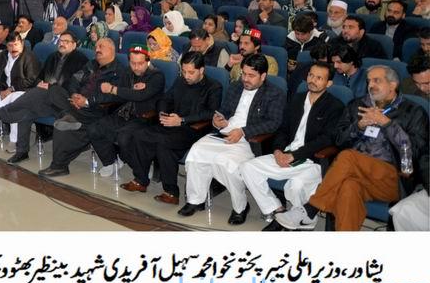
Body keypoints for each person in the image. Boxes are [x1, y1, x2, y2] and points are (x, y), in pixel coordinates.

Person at [275, 66, 427, 231]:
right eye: (369, 81)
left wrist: (387, 123)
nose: (371, 85)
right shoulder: (357, 105)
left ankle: (311, 208)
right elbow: (339, 140)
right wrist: (359, 126)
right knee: (348, 187)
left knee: (349, 157)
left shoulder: (413, 111)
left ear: (393, 84)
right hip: (355, 174)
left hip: (392, 176)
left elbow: (415, 152)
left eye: (377, 80)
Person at [178, 54, 286, 224]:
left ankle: (240, 207)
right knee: (196, 153)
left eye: (251, 76)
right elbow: (225, 110)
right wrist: (218, 120)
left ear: (263, 76)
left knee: (227, 163)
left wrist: (243, 131)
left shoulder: (275, 93)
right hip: (224, 133)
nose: (245, 79)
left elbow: (274, 123)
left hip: (249, 139)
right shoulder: (236, 87)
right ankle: (196, 200)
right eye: (244, 74)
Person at [240, 63, 345, 227]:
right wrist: (277, 151)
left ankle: (302, 220)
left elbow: (325, 140)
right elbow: (283, 129)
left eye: (319, 78)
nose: (313, 80)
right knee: (248, 167)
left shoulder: (335, 106)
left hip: (312, 160)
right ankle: (277, 210)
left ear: (329, 83)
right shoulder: (297, 99)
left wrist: (294, 155)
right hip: (287, 153)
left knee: (295, 185)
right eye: (311, 75)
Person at [118, 51, 222, 205]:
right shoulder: (181, 81)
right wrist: (162, 113)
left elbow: (210, 113)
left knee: (163, 143)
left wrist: (182, 120)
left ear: (201, 70)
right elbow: (165, 98)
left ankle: (171, 192)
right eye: (184, 71)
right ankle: (141, 180)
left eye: (191, 72)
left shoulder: (214, 87)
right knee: (140, 134)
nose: (186, 76)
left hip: (194, 129)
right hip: (172, 123)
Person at [51, 46, 164, 178]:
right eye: (133, 63)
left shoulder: (156, 75)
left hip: (143, 117)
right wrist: (126, 91)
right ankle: (109, 161)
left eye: (140, 63)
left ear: (148, 61)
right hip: (123, 113)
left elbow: (140, 96)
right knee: (94, 129)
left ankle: (140, 166)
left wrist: (113, 89)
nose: (136, 67)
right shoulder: (127, 72)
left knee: (124, 138)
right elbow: (122, 95)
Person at [2, 32, 90, 162]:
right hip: (46, 99)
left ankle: (3, 111)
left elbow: (75, 85)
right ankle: (22, 151)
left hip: (64, 102)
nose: (62, 43)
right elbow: (39, 77)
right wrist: (39, 83)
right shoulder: (52, 57)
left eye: (66, 41)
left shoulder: (81, 60)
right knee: (25, 112)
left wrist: (50, 87)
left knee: (35, 96)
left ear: (74, 45)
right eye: (61, 40)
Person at [0, 32, 41, 158]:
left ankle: (15, 139)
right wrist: (2, 90)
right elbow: (1, 76)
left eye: (16, 44)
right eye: (10, 45)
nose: (13, 48)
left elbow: (31, 80)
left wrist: (11, 90)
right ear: (6, 46)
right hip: (6, 91)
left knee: (15, 99)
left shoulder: (29, 57)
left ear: (22, 44)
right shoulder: (3, 56)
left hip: (23, 92)